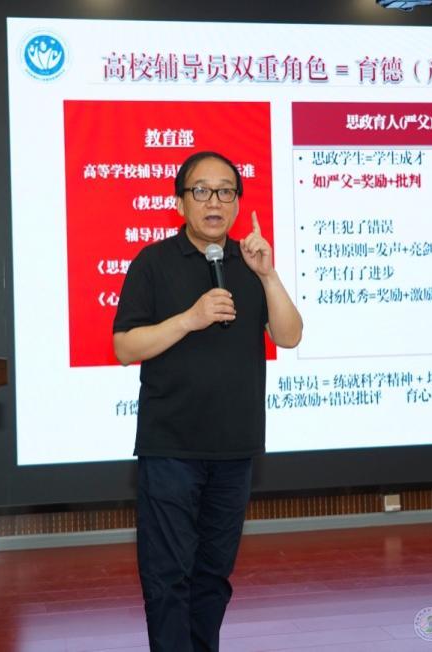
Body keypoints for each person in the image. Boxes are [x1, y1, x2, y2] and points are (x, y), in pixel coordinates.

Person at [112, 151, 303, 651]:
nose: (213, 202)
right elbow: (125, 347)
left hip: (235, 448)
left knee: (213, 576)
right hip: (170, 447)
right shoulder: (153, 263)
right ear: (180, 202)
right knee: (168, 575)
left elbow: (289, 336)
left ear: (237, 203)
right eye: (201, 191)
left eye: (225, 191)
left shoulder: (250, 262)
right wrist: (190, 319)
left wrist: (268, 275)